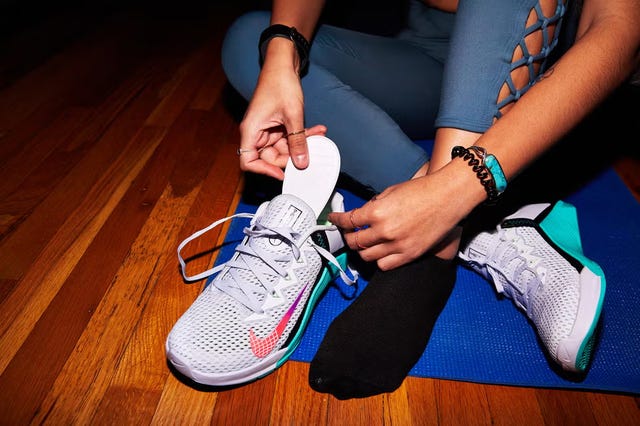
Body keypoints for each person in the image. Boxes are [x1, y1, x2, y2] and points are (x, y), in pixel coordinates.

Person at [219, 0, 640, 399]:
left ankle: (439, 248)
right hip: (430, 54)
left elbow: (620, 28)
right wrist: (281, 56)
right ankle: (482, 223)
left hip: (550, 78)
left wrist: (460, 186)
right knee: (252, 41)